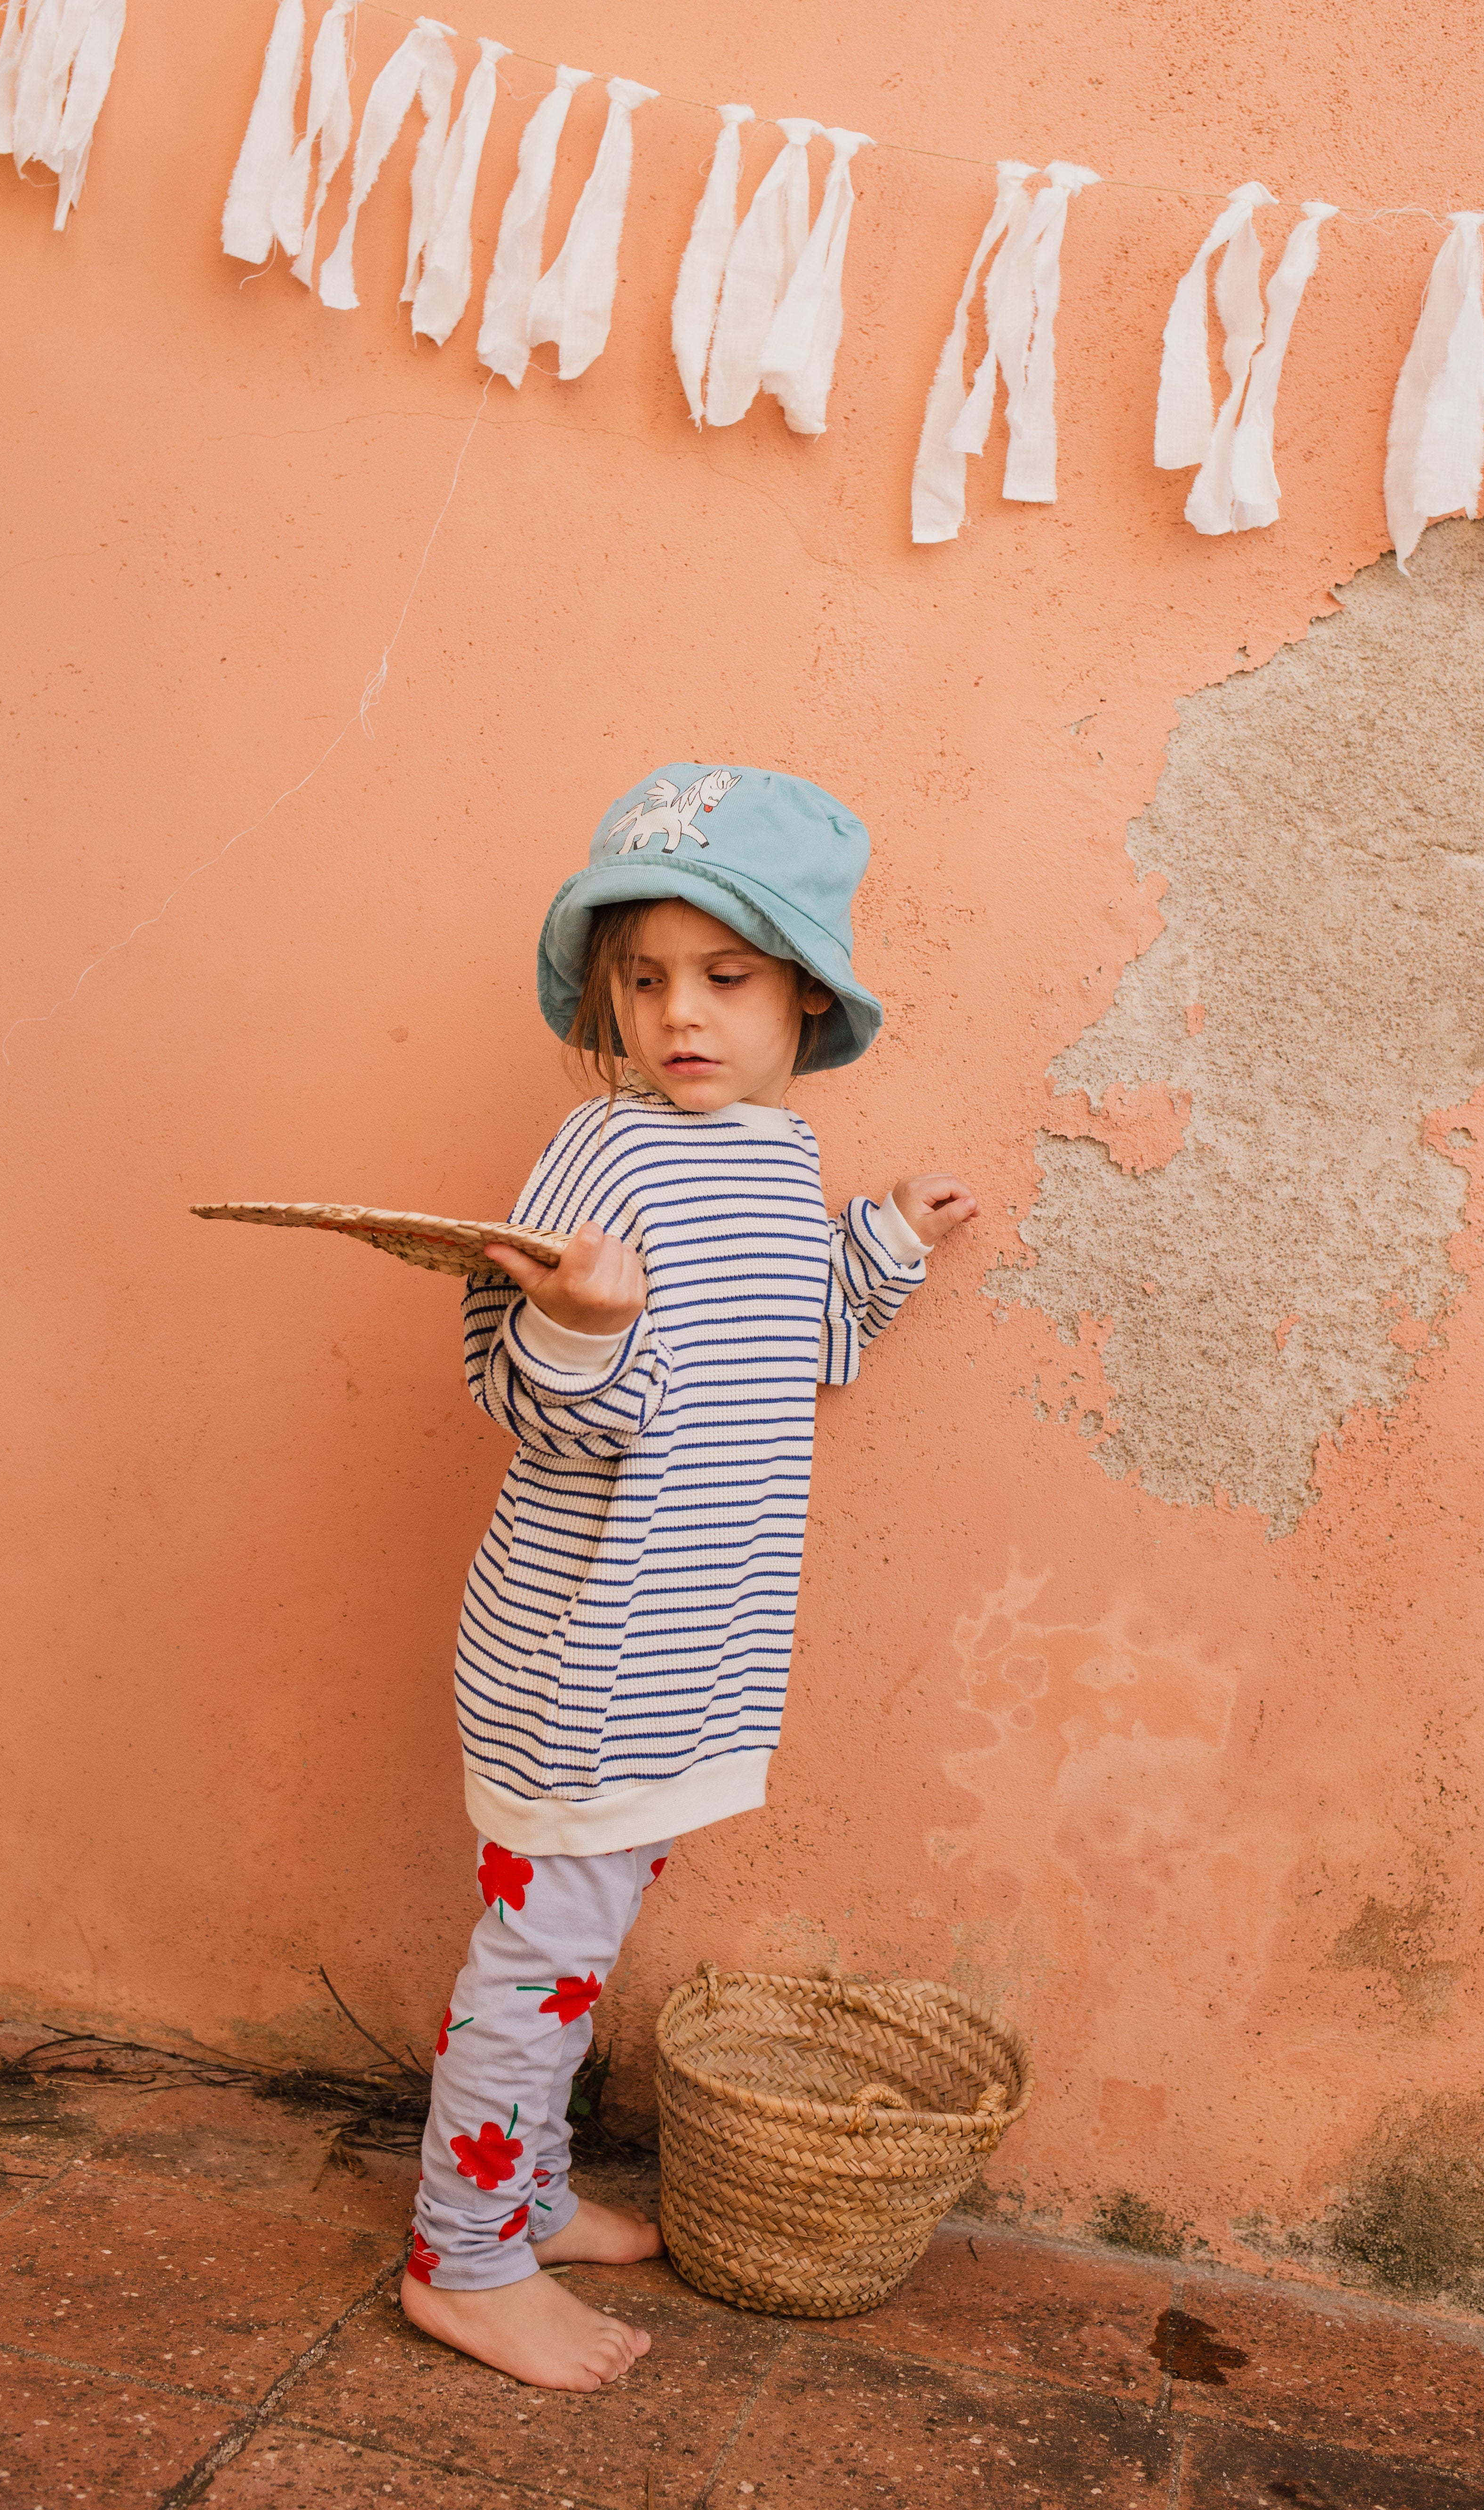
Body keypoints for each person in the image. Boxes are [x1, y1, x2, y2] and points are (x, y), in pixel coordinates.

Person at [401, 763, 976, 2391]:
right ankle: (465, 2257)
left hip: (690, 1648)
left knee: (574, 1950)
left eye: (725, 977)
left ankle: (527, 2193)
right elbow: (524, 1393)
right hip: (584, 1650)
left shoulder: (779, 1158)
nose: (680, 1015)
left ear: (807, 996)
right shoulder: (606, 1152)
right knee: (538, 1967)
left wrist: (887, 1243)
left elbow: (799, 1345)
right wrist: (582, 1323)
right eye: (645, 979)